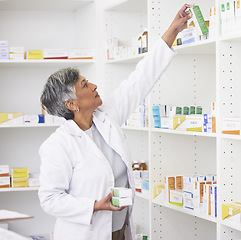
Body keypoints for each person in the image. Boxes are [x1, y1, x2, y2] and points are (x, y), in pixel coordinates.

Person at [38, 4, 193, 240]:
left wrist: (173, 29)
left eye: (88, 81)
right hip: (86, 232)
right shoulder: (58, 145)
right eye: (85, 85)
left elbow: (142, 77)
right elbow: (49, 200)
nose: (94, 86)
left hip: (119, 230)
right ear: (71, 104)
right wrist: (94, 205)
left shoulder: (106, 116)